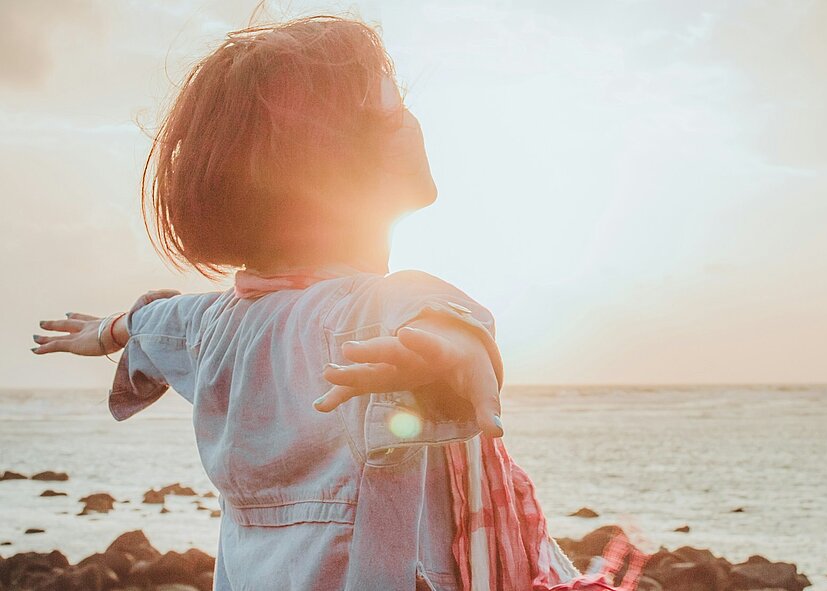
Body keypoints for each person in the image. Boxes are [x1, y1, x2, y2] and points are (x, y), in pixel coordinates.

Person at [32, 15, 641, 591]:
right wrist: (451, 349)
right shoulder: (364, 311)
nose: (410, 121)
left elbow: (154, 325)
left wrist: (110, 329)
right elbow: (431, 311)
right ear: (322, 161)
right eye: (391, 109)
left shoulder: (212, 325)